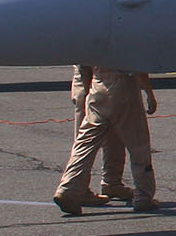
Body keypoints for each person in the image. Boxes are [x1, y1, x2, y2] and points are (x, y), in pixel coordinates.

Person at [53, 68, 159, 215]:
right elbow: (138, 67)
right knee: (138, 143)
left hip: (98, 85)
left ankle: (68, 187)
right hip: (124, 86)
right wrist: (149, 93)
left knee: (86, 142)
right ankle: (143, 195)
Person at [69, 65, 132, 202]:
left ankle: (110, 182)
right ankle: (81, 187)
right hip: (102, 63)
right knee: (106, 113)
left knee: (105, 117)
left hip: (87, 60)